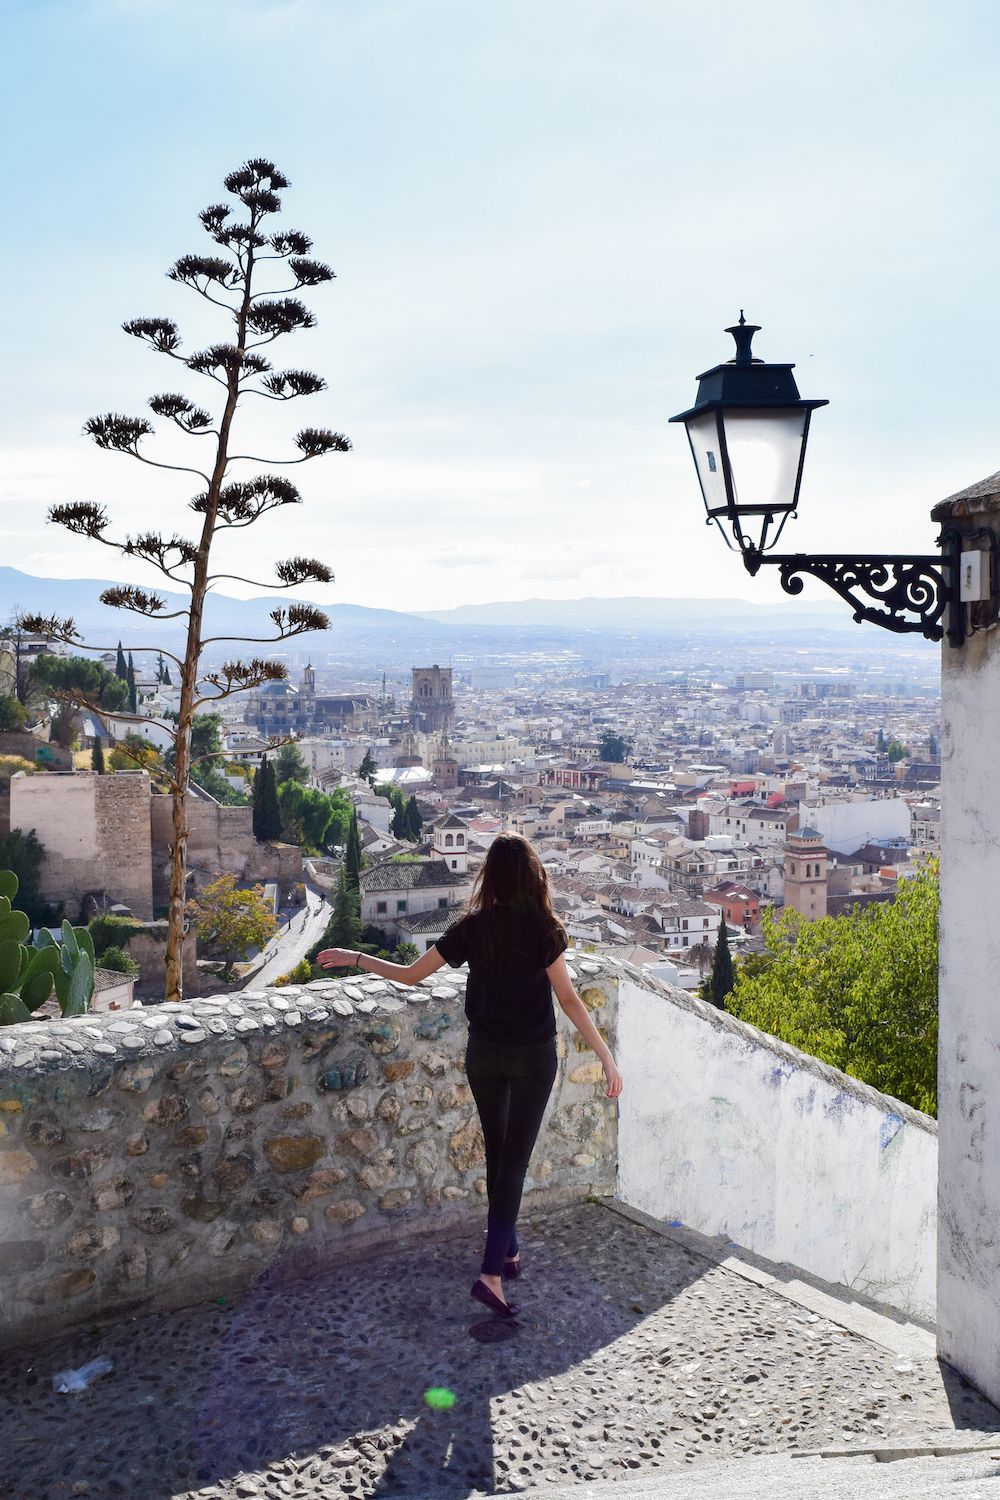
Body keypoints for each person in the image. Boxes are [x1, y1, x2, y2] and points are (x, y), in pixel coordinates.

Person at [317, 832, 624, 1319]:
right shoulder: (545, 929)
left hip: (485, 1055)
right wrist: (605, 1055)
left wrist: (355, 958)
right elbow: (567, 999)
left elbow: (411, 975)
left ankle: (508, 1251)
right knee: (514, 1164)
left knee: (500, 1156)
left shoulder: (474, 927)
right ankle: (490, 1274)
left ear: (491, 877)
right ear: (532, 875)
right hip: (533, 1057)